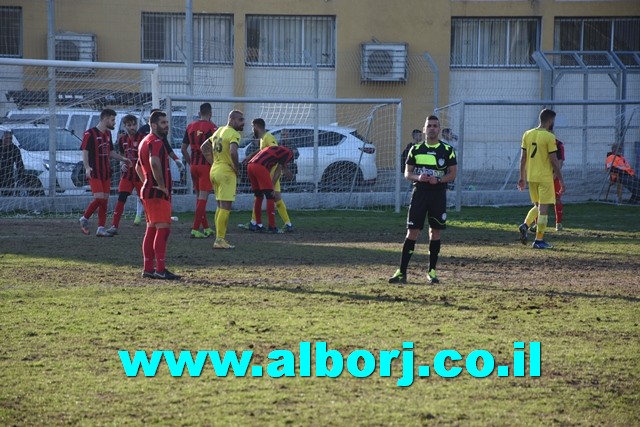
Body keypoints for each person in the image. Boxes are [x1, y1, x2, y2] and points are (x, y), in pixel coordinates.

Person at [389, 115, 457, 285]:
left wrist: (439, 180)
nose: (432, 128)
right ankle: (401, 272)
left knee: (435, 232)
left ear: (439, 129)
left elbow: (452, 174)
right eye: (429, 126)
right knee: (412, 232)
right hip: (419, 193)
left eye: (435, 126)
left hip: (438, 195)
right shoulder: (415, 149)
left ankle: (432, 272)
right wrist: (418, 177)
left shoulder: (447, 150)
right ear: (424, 129)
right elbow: (407, 173)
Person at [136, 110, 180, 280]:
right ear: (153, 125)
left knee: (152, 229)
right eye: (163, 123)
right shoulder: (156, 142)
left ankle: (148, 268)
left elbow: (138, 168)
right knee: (163, 229)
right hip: (157, 193)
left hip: (148, 191)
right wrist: (161, 185)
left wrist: (147, 181)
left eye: (167, 122)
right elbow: (154, 162)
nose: (166, 125)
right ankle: (160, 269)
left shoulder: (144, 142)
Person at [79, 109, 132, 237]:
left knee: (105, 201)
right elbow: (85, 152)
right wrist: (87, 167)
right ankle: (84, 218)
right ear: (105, 119)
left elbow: (110, 152)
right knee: (99, 198)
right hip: (94, 171)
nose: (114, 123)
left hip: (106, 172)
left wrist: (123, 158)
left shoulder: (108, 134)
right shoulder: (89, 133)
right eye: (113, 120)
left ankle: (101, 228)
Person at [517, 109, 565, 249]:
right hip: (545, 177)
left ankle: (525, 225)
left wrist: (522, 177)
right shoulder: (549, 137)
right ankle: (538, 241)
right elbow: (554, 160)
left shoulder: (527, 134)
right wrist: (561, 180)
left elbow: (523, 158)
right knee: (543, 209)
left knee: (538, 206)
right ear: (550, 121)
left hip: (531, 176)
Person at [201, 110, 245, 249]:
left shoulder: (219, 130)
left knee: (220, 206)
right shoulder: (233, 134)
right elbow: (233, 151)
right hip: (226, 172)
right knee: (226, 207)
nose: (242, 123)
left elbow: (204, 147)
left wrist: (213, 161)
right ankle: (220, 240)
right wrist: (237, 168)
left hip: (215, 170)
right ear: (231, 119)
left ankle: (219, 238)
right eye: (240, 120)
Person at [242, 118, 294, 232]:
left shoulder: (269, 137)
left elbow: (276, 153)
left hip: (271, 174)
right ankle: (254, 222)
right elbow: (265, 152)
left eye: (252, 126)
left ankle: (286, 224)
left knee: (275, 198)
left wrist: (273, 180)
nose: (252, 129)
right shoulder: (263, 139)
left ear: (256, 126)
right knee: (260, 196)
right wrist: (251, 155)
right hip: (265, 171)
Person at [182, 102, 218, 238]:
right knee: (203, 198)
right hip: (205, 167)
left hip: (194, 166)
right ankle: (195, 229)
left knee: (199, 198)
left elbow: (183, 149)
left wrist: (190, 162)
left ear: (199, 113)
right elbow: (215, 148)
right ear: (210, 114)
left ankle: (206, 227)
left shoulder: (190, 126)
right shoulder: (212, 127)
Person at [106, 115, 144, 235]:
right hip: (127, 175)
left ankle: (152, 224)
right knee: (121, 199)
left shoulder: (143, 138)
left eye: (134, 124)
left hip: (140, 175)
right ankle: (114, 226)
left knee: (146, 200)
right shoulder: (122, 140)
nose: (132, 127)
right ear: (125, 126)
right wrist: (122, 162)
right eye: (129, 125)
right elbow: (122, 154)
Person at [247, 145, 294, 233]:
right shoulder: (288, 153)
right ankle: (272, 227)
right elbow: (279, 170)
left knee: (259, 196)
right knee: (270, 196)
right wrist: (271, 186)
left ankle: (258, 225)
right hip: (259, 167)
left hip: (250, 166)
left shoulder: (276, 150)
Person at [530, 137, 566, 233]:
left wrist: (554, 175)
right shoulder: (538, 142)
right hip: (540, 177)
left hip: (553, 177)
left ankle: (558, 223)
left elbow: (560, 162)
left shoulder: (558, 144)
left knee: (556, 199)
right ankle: (537, 224)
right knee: (538, 202)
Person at [0, 130, 25, 196]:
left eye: (10, 138)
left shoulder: (14, 149)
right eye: (6, 138)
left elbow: (19, 164)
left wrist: (21, 176)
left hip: (7, 176)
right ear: (2, 137)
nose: (8, 140)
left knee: (7, 195)